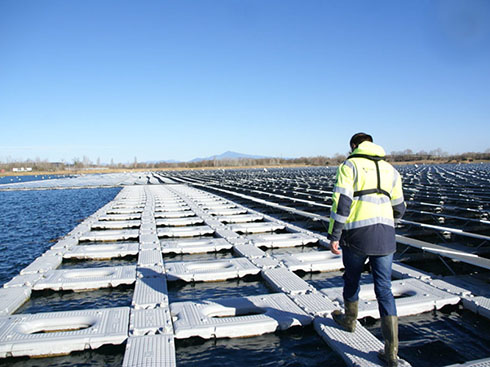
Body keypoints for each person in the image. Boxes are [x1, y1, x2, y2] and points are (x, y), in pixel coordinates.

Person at [328, 132, 406, 366]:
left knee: (352, 278)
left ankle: (349, 320)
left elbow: (341, 202)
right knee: (384, 288)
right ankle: (391, 352)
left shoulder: (350, 166)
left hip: (357, 236)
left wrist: (334, 234)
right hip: (385, 237)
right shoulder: (391, 169)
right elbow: (400, 208)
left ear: (354, 146)